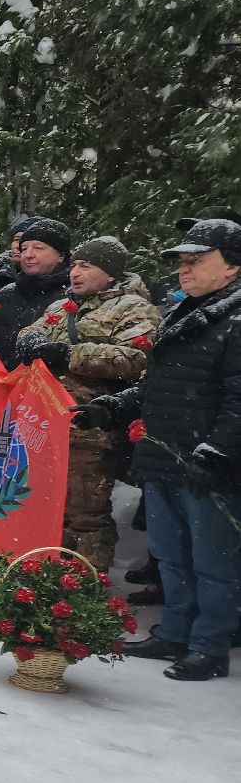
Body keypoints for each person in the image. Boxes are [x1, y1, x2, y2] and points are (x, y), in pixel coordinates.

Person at [74, 218, 241, 681]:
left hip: (210, 465)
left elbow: (238, 398)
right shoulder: (184, 313)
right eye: (183, 262)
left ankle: (209, 646)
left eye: (197, 261)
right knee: (171, 554)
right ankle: (175, 631)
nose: (185, 270)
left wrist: (218, 450)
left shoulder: (235, 320)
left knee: (213, 561)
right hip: (166, 454)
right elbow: (156, 385)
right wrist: (112, 407)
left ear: (232, 268)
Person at [13, 236, 162, 570]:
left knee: (86, 511)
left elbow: (138, 360)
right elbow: (30, 333)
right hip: (46, 423)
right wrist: (30, 340)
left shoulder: (135, 309)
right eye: (75, 264)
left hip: (91, 425)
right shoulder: (62, 306)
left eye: (86, 266)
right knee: (52, 506)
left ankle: (85, 586)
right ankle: (52, 577)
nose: (75, 272)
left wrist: (70, 355)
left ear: (109, 274)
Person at [0, 217, 75, 571]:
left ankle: (15, 545)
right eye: (25, 248)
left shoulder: (67, 297)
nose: (29, 255)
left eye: (40, 249)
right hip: (3, 389)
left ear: (61, 256)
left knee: (23, 470)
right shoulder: (7, 292)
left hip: (39, 399)